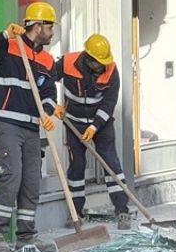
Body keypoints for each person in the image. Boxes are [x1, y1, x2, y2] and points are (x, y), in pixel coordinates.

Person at [0, 2, 59, 252]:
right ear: (37, 26)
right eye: (50, 26)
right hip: (5, 122)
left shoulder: (47, 60)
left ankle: (26, 236)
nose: (53, 32)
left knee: (31, 181)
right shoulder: (8, 46)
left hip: (30, 126)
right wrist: (3, 35)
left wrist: (48, 112)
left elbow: (49, 92)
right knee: (12, 176)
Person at [56, 34, 132, 229]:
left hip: (101, 123)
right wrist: (51, 105)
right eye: (99, 63)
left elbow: (109, 102)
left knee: (111, 164)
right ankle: (76, 213)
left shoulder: (111, 70)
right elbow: (47, 79)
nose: (102, 66)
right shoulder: (67, 62)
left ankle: (122, 211)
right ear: (88, 59)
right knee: (77, 165)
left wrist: (94, 126)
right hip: (73, 122)